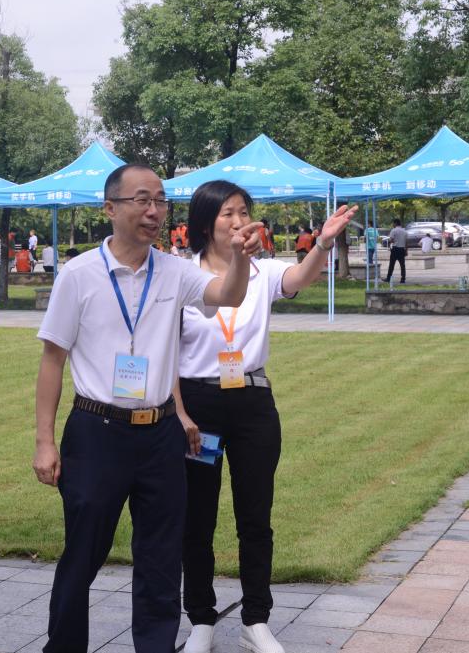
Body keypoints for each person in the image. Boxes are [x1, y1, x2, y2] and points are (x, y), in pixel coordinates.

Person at [33, 164, 264, 653]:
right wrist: (44, 442)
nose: (154, 211)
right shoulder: (79, 275)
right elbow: (53, 359)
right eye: (141, 200)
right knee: (83, 552)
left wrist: (241, 257)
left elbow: (228, 294)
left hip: (160, 434)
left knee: (160, 559)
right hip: (97, 432)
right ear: (110, 208)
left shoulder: (175, 270)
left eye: (160, 200)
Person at [176, 180, 357, 653]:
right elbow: (165, 350)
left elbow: (297, 279)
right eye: (227, 214)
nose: (239, 221)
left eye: (244, 212)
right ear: (205, 223)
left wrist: (323, 243)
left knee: (255, 518)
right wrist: (179, 412)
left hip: (252, 404)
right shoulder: (182, 277)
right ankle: (201, 620)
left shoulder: (263, 271)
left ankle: (255, 621)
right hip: (199, 407)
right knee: (197, 518)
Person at [384, 218, 407, 284]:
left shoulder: (393, 230)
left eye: (393, 223)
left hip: (395, 249)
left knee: (391, 265)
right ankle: (403, 279)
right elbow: (406, 242)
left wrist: (390, 242)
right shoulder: (404, 231)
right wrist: (406, 250)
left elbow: (391, 239)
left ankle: (388, 278)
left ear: (395, 223)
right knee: (402, 265)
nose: (393, 224)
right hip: (402, 249)